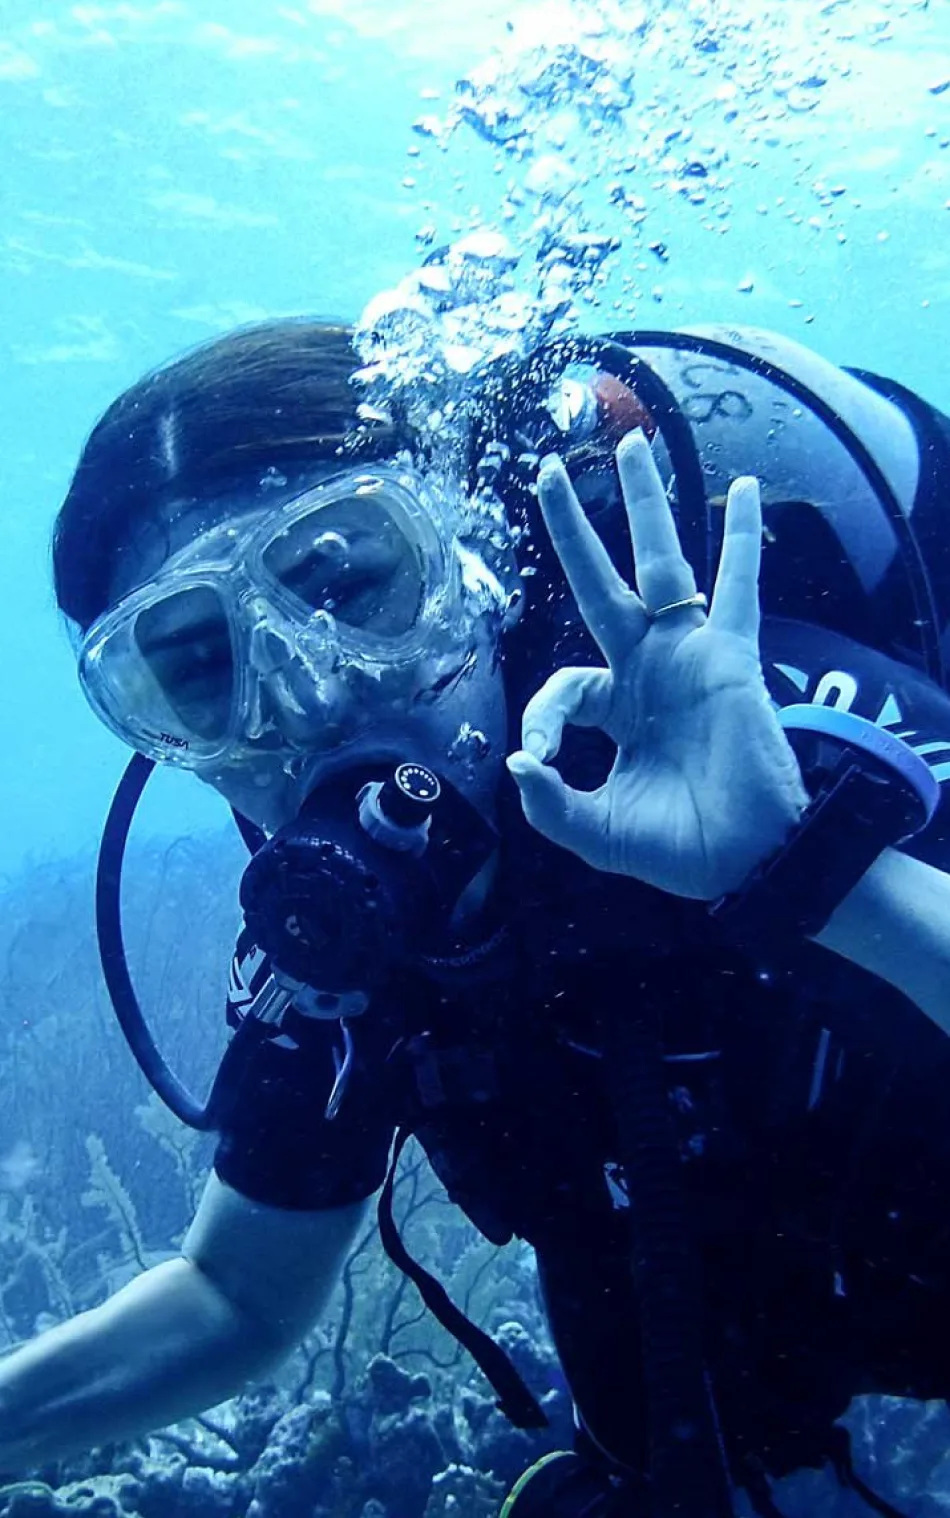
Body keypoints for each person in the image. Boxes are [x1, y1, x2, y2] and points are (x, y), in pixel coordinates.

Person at [2, 318, 950, 1518]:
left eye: (351, 584)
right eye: (197, 670)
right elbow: (235, 1296)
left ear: (469, 555)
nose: (310, 694)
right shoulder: (335, 958)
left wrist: (812, 871)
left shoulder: (747, 716)